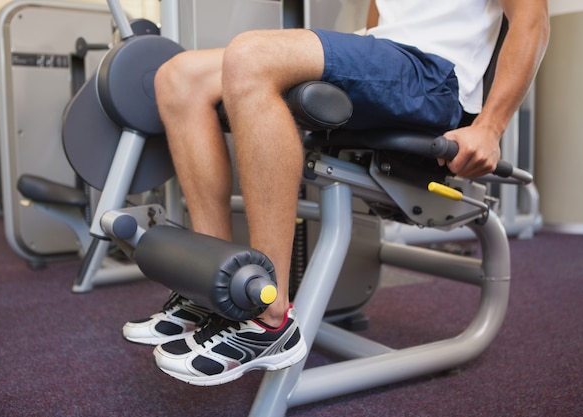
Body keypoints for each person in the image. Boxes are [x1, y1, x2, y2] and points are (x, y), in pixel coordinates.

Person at [122, 0, 550, 386]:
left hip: (434, 73)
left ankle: (269, 318)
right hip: (386, 55)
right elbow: (380, 17)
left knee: (251, 54)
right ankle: (215, 295)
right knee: (178, 76)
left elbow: (532, 19)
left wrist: (490, 127)